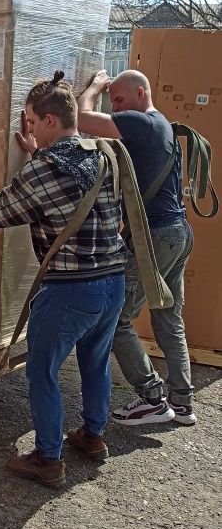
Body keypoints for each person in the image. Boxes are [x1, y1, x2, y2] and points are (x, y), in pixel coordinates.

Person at [0, 71, 127, 490]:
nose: (28, 129)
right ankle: (93, 436)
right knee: (95, 361)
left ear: (50, 120)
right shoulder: (99, 154)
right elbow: (66, 195)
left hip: (70, 289)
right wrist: (32, 158)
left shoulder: (46, 168)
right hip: (113, 281)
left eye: (31, 121)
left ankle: (48, 459)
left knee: (43, 372)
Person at [76, 68, 196, 426]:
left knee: (116, 319)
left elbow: (81, 119)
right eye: (113, 102)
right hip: (177, 232)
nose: (116, 109)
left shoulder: (141, 124)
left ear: (141, 94)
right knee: (168, 317)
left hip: (155, 236)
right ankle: (182, 402)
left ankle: (152, 398)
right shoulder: (163, 125)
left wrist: (95, 87)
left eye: (120, 100)